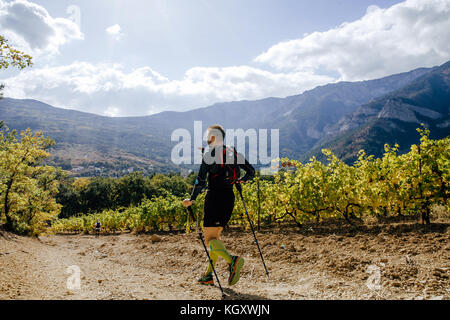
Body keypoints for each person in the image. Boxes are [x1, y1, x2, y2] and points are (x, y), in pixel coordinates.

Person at [183, 124, 255, 287]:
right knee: (215, 240)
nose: (207, 140)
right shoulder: (233, 152)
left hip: (214, 199)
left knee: (210, 241)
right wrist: (239, 180)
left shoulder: (209, 155)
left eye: (208, 136)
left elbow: (200, 180)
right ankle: (208, 275)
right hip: (229, 198)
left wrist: (192, 199)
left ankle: (233, 261)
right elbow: (251, 172)